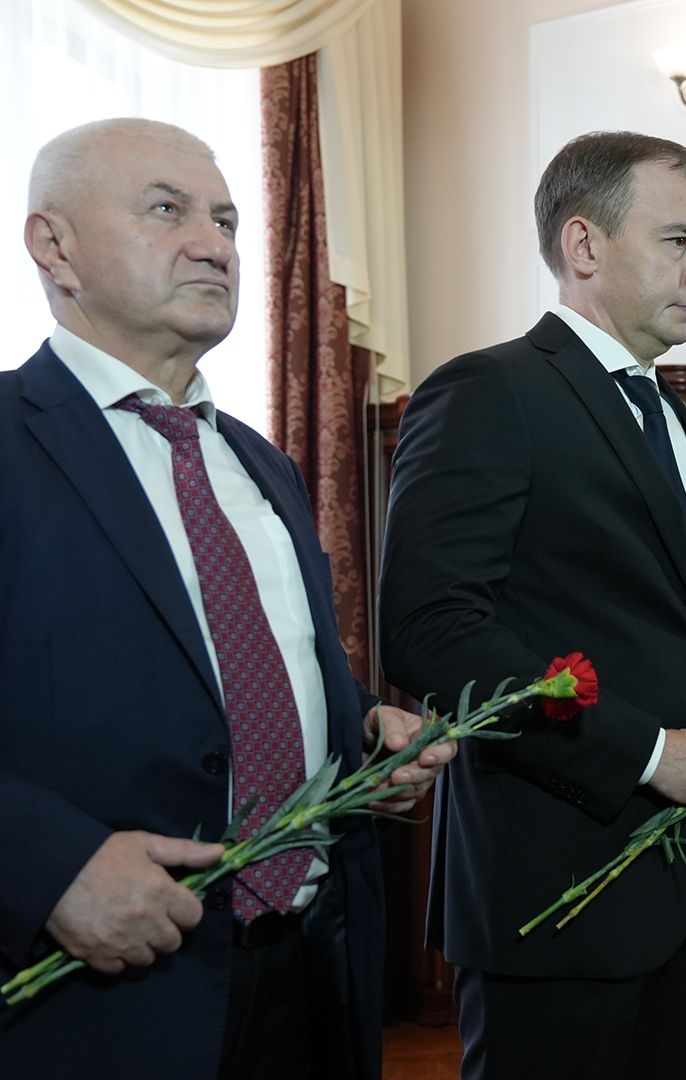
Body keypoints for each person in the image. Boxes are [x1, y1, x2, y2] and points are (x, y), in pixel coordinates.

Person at [0, 118, 448, 1078]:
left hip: (318, 977)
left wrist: (361, 727)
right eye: (167, 210)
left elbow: (242, 669)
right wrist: (45, 868)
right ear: (54, 246)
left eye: (228, 220)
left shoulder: (264, 465)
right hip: (93, 1005)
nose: (214, 244)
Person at [378, 131, 686, 1080]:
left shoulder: (666, 410)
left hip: (677, 886)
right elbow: (431, 627)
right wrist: (652, 752)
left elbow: (654, 617)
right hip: (554, 884)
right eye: (680, 242)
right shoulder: (490, 391)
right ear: (583, 246)